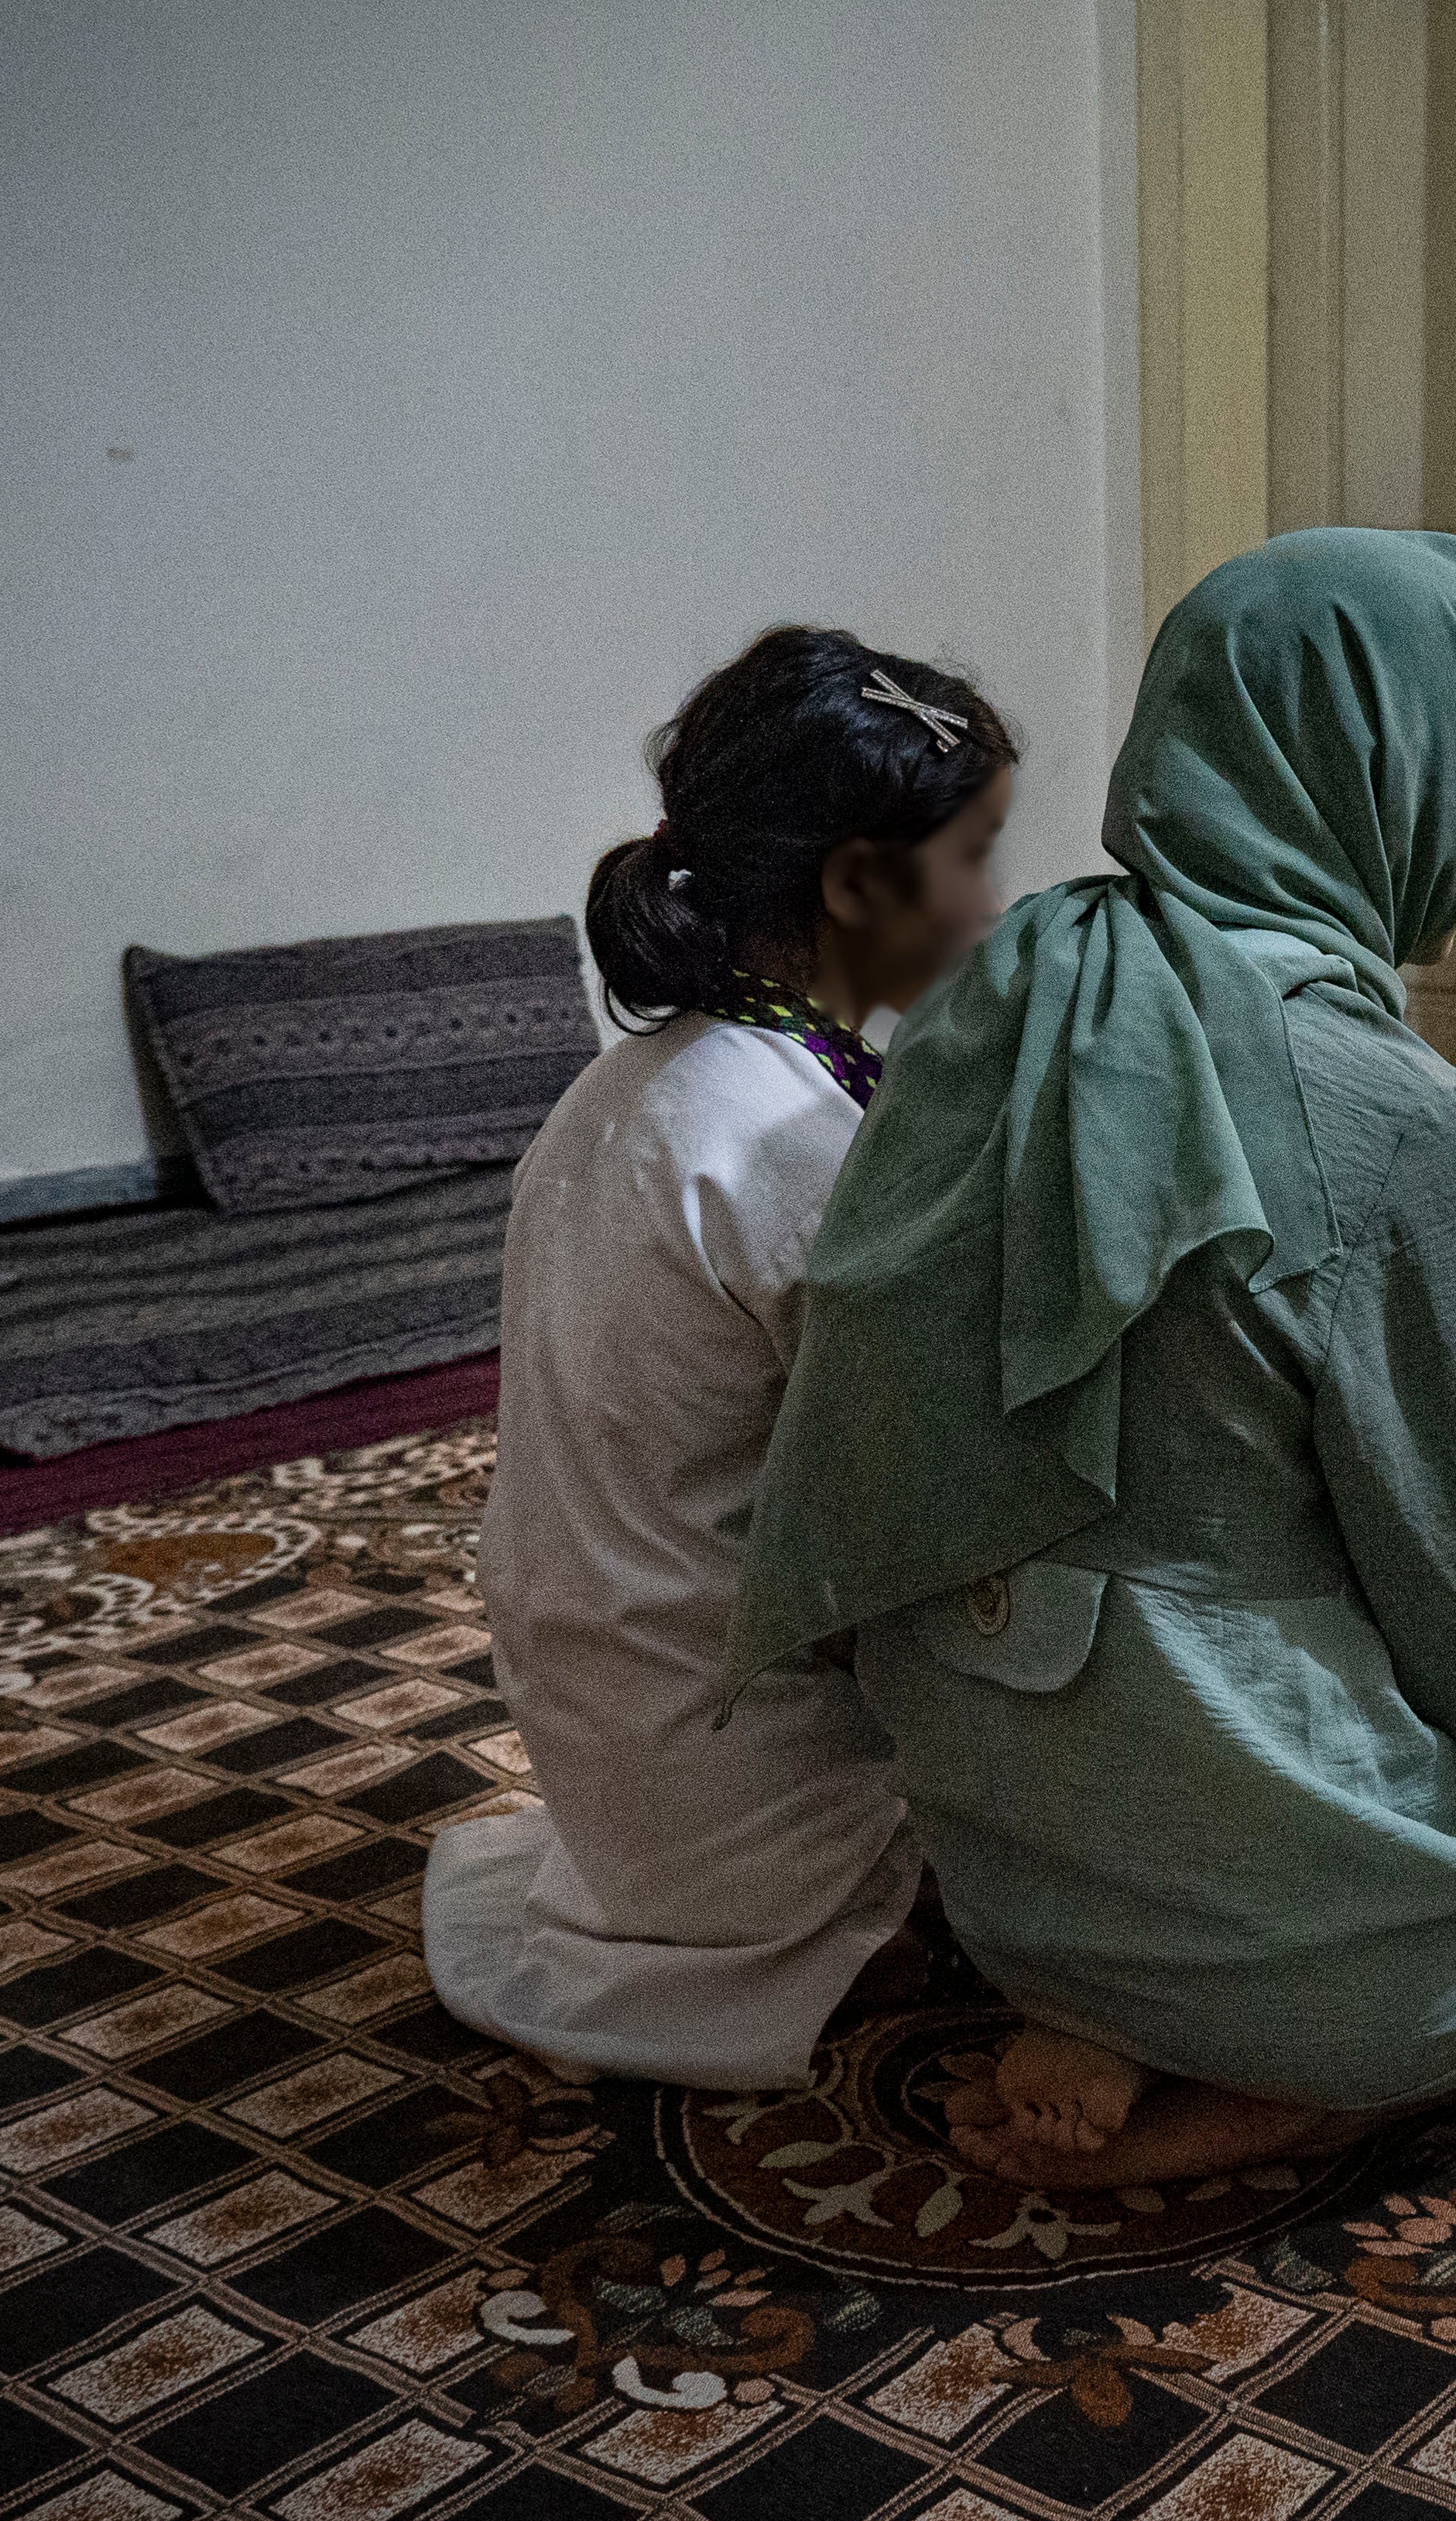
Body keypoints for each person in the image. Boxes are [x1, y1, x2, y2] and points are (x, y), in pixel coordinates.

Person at [725, 528, 1456, 2188]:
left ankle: (1121, 1996)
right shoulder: (1407, 1118)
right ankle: (1321, 2083)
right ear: (1408, 773)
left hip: (1007, 1873)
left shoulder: (997, 994)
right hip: (1281, 1891)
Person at [423, 629, 1014, 2094]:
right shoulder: (796, 1144)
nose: (994, 905)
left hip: (613, 1723)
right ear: (858, 884)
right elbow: (926, 1522)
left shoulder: (628, 1087)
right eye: (974, 855)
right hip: (743, 1787)